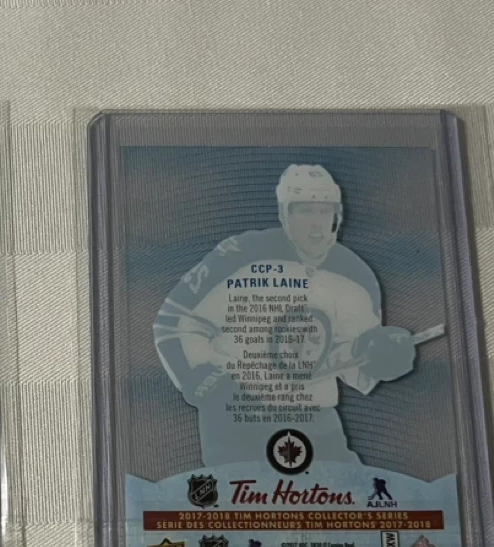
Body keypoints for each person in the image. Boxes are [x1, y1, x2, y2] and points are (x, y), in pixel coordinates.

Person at [154, 164, 414, 466]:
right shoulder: (241, 255)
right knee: (244, 496)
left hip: (314, 419)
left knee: (349, 492)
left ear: (338, 215)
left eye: (324, 211)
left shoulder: (357, 275)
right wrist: (205, 381)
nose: (316, 223)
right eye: (304, 211)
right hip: (237, 418)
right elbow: (173, 323)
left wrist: (381, 356)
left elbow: (352, 360)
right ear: (283, 214)